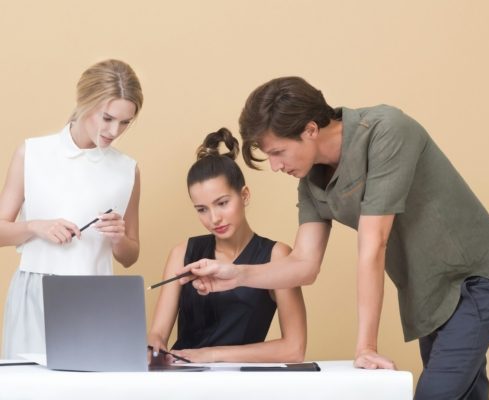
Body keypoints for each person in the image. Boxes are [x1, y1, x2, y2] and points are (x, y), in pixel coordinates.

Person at [181, 77, 489, 399]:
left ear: (310, 129)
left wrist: (366, 348)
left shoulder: (387, 131)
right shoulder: (311, 180)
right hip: (428, 295)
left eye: (278, 152)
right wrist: (236, 275)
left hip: (472, 279)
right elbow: (304, 265)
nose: (275, 166)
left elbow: (374, 245)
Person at [0, 59, 143, 358]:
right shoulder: (32, 153)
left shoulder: (127, 170)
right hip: (35, 293)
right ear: (84, 103)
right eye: (107, 118)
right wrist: (34, 226)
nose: (114, 130)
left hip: (96, 297)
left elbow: (130, 256)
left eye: (125, 122)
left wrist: (118, 238)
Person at [148, 127, 306, 363]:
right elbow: (158, 334)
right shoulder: (182, 254)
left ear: (244, 196)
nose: (214, 219)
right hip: (183, 380)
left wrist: (211, 355)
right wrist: (153, 349)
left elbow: (294, 349)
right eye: (202, 209)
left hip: (241, 383)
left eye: (222, 203)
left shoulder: (277, 256)